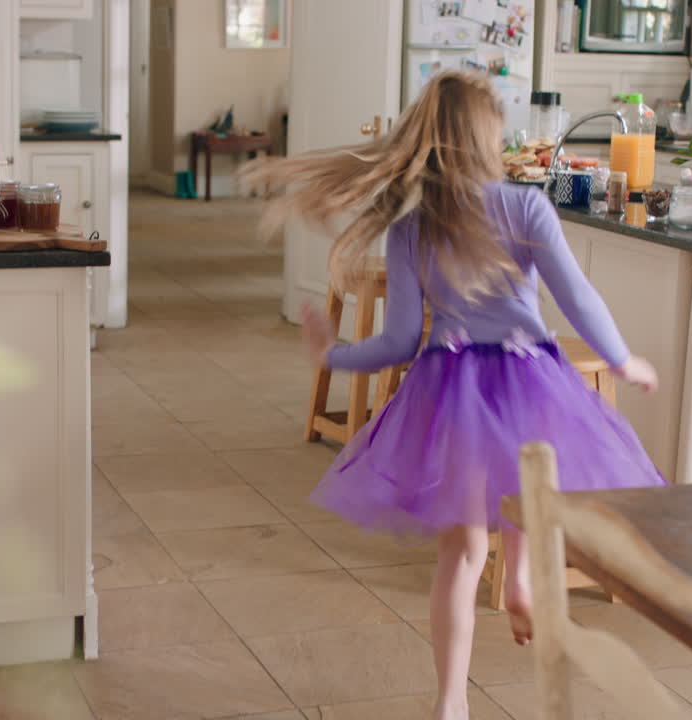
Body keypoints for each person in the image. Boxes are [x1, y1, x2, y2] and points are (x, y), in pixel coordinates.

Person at [243, 70, 664, 720]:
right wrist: (620, 358)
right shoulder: (526, 206)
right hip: (531, 381)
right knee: (526, 493)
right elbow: (578, 297)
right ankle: (521, 582)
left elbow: (402, 340)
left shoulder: (413, 226)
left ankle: (450, 702)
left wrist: (333, 355)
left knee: (463, 552)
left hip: (454, 387)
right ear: (487, 137)